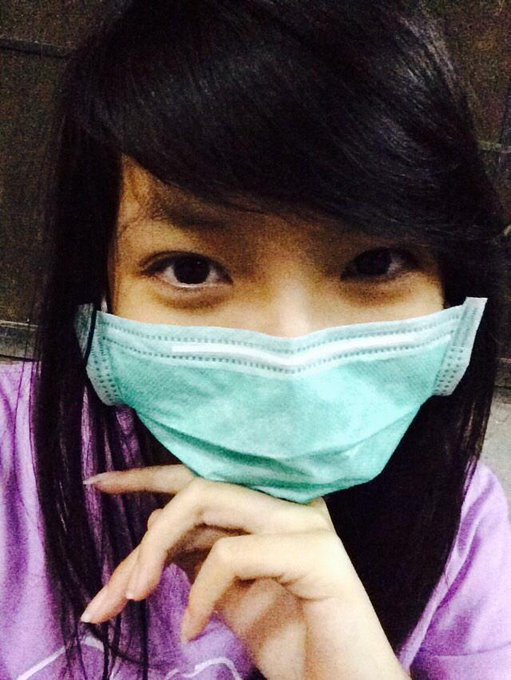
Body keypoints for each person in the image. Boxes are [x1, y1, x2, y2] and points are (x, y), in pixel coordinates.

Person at [1, 0, 510, 678]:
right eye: (190, 269)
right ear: (98, 283)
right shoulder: (11, 454)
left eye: (374, 263)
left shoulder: (464, 531)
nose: (291, 353)